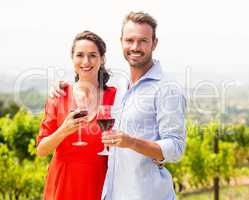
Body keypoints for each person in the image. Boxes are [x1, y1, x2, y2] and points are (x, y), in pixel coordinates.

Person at [51, 11, 186, 200]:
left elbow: (176, 147)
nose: (135, 47)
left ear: (154, 43)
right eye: (129, 40)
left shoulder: (166, 88)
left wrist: (131, 142)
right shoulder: (121, 86)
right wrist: (63, 86)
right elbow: (89, 81)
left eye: (143, 41)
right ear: (121, 41)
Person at [36, 31, 116, 200]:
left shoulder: (116, 96)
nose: (86, 61)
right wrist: (63, 131)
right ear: (73, 59)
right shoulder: (59, 95)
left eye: (93, 55)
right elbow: (42, 150)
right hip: (63, 185)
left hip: (100, 184)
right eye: (80, 55)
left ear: (102, 59)